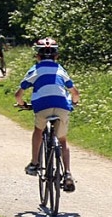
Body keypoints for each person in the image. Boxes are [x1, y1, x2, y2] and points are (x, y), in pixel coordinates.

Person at [14, 39, 81, 192]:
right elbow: (75, 93)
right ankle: (67, 173)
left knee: (38, 131)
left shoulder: (35, 70)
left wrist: (22, 104)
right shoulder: (60, 70)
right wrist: (74, 102)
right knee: (62, 140)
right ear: (56, 56)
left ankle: (34, 163)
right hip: (62, 105)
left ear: (37, 56)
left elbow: (18, 95)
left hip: (42, 105)